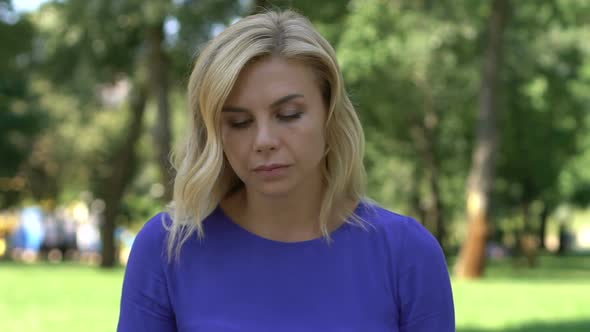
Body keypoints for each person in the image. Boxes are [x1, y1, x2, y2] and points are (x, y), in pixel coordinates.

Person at [117, 10, 454, 332]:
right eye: (240, 122)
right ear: (215, 134)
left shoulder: (407, 253)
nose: (264, 140)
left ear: (329, 114)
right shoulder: (167, 248)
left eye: (289, 114)